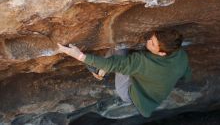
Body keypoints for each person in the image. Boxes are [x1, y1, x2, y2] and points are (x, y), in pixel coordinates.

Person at [57, 29, 192, 117]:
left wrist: (78, 55)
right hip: (151, 98)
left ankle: (98, 71)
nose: (148, 41)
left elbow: (114, 63)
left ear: (162, 53)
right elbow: (186, 74)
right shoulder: (181, 56)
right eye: (152, 38)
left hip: (128, 93)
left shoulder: (141, 62)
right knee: (127, 62)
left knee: (120, 49)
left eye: (152, 43)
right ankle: (103, 70)